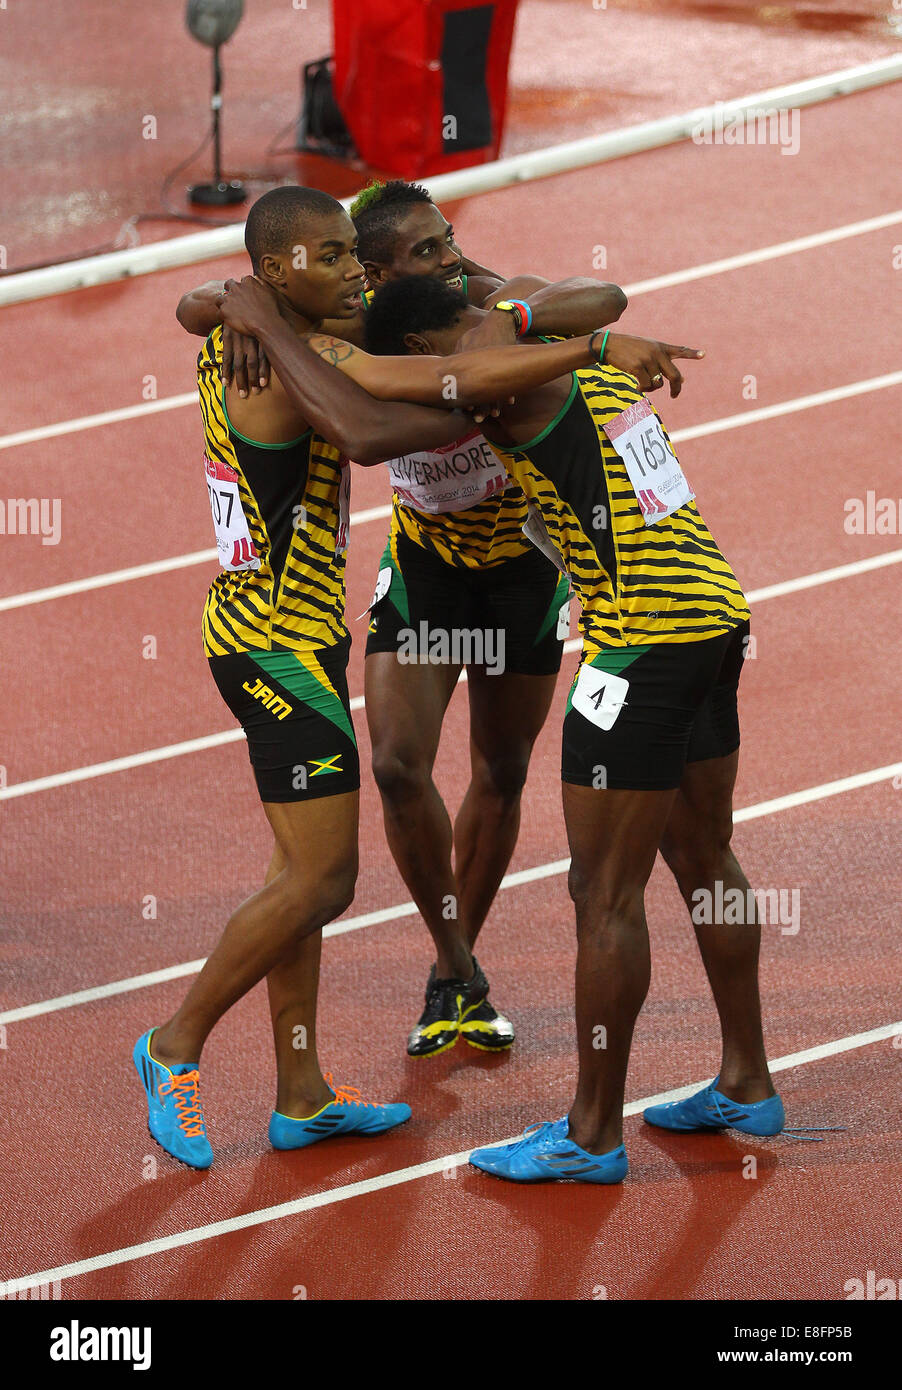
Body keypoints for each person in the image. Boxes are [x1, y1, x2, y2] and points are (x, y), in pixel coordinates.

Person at [138, 185, 615, 1169]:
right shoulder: (288, 356)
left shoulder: (291, 328)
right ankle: (172, 1043)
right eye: (333, 257)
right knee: (323, 876)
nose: (353, 272)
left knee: (296, 875)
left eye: (355, 255)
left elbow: (208, 302)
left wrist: (241, 301)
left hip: (304, 633)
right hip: (275, 645)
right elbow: (363, 431)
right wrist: (505, 377)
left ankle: (302, 1092)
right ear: (287, 272)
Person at [362, 274, 782, 1185]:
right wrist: (535, 318)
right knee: (707, 858)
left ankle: (591, 1134)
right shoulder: (552, 339)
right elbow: (599, 298)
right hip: (714, 616)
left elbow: (380, 407)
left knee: (602, 894)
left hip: (640, 646)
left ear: (430, 350)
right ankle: (746, 1079)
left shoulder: (496, 374)